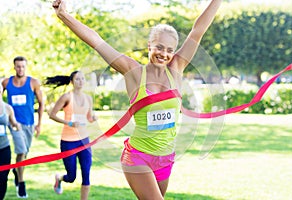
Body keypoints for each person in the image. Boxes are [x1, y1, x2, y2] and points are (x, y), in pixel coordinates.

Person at [52, 0, 222, 199]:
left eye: (169, 50)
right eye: (159, 47)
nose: (164, 54)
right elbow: (97, 41)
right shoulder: (133, 72)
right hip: (138, 157)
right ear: (149, 46)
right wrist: (64, 15)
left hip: (166, 159)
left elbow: (197, 31)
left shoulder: (176, 69)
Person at [47, 71, 97, 200]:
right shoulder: (66, 97)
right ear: (72, 82)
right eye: (77, 79)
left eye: (82, 79)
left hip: (84, 141)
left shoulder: (88, 98)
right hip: (68, 142)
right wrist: (68, 123)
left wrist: (93, 118)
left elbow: (89, 118)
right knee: (71, 177)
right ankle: (60, 178)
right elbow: (52, 114)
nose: (80, 81)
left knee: (86, 174)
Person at [1, 56, 44, 198]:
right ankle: (21, 183)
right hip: (14, 123)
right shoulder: (7, 82)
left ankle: (16, 170)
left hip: (29, 123)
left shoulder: (33, 82)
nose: (20, 69)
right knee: (21, 150)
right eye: (18, 66)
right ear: (14, 67)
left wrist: (39, 124)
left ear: (26, 67)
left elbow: (41, 103)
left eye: (23, 66)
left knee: (25, 153)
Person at [0, 84, 22, 200]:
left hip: (4, 148)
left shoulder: (7, 108)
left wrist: (17, 126)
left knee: (3, 177)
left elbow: (13, 123)